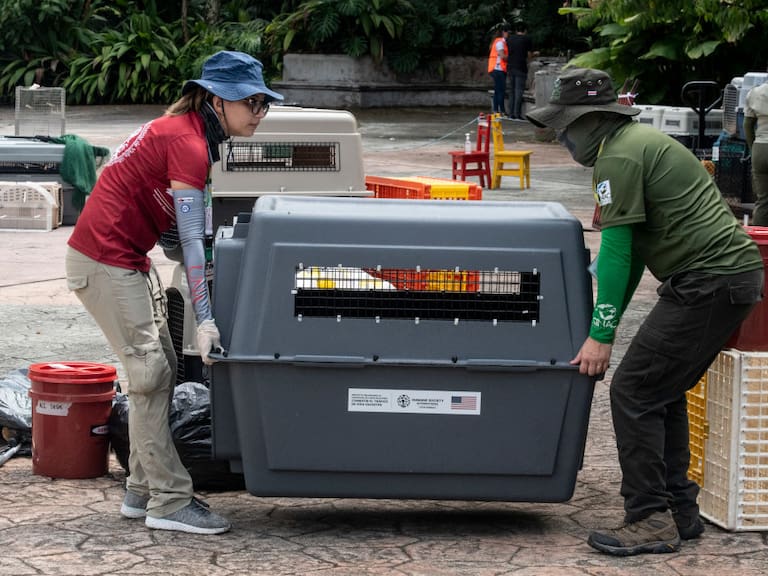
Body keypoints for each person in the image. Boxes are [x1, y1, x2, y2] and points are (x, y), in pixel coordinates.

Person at [527, 68, 764, 556]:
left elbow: (615, 254)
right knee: (660, 390)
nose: (562, 137)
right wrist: (600, 319)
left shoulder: (619, 157)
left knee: (633, 390)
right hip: (722, 280)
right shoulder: (630, 145)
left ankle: (649, 517)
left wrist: (601, 334)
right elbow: (629, 256)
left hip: (709, 282)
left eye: (566, 126)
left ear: (593, 119)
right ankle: (678, 511)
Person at [65, 50, 283, 535]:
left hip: (125, 259)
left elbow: (176, 233)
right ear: (216, 100)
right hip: (103, 262)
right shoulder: (187, 142)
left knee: (158, 367)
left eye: (263, 102)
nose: (259, 113)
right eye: (249, 102)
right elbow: (189, 243)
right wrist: (205, 319)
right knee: (151, 377)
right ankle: (168, 501)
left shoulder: (185, 130)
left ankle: (141, 491)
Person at [743, 80, 768, 225]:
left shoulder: (755, 92)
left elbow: (747, 126)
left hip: (760, 149)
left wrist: (753, 149)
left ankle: (761, 244)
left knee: (763, 200)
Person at [506, 22, 536, 120]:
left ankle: (510, 114)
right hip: (520, 67)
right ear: (525, 30)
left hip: (510, 66)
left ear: (516, 30)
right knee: (519, 91)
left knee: (512, 91)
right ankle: (517, 114)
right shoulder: (527, 39)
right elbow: (529, 55)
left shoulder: (509, 39)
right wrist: (535, 54)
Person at [488, 24, 510, 116]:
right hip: (498, 69)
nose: (509, 35)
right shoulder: (500, 42)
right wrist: (513, 57)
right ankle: (502, 111)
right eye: (509, 32)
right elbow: (503, 56)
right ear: (504, 32)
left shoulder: (498, 41)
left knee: (498, 90)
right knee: (500, 90)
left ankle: (496, 110)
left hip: (496, 69)